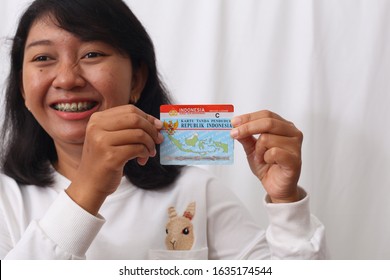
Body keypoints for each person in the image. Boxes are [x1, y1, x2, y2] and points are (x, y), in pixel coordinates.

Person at [0, 0, 325, 260]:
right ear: (23, 88)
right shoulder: (5, 200)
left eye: (92, 54)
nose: (67, 78)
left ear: (137, 80)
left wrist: (286, 204)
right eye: (43, 57)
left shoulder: (196, 191)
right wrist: (88, 187)